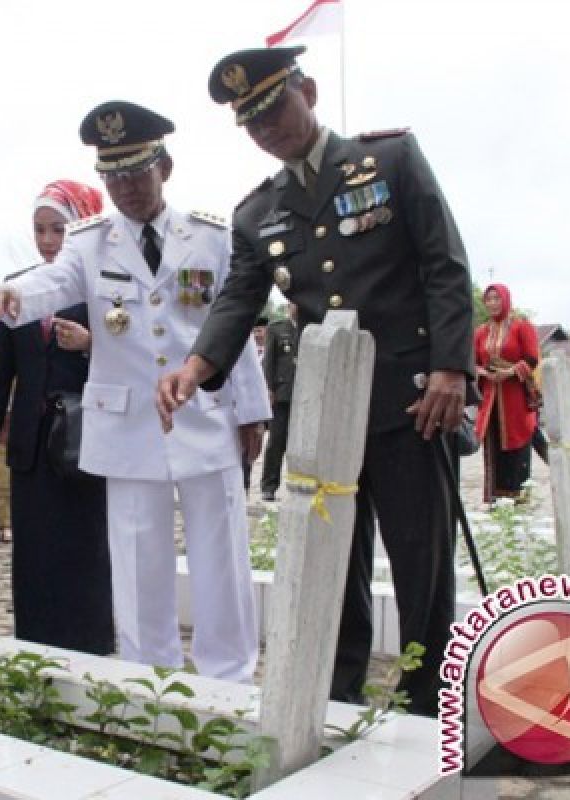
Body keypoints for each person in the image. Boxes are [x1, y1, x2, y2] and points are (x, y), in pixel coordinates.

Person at [157, 47, 473, 716]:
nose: (268, 127)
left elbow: (443, 263)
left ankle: (427, 706)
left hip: (411, 399)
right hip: (326, 411)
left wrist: (451, 368)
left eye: (276, 107)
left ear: (309, 90)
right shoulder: (256, 213)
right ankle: (336, 694)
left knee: (421, 562)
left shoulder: (389, 161)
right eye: (252, 121)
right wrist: (195, 367)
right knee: (333, 556)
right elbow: (239, 300)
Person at [0, 102, 272, 682]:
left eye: (135, 173)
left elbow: (235, 328)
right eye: (111, 175)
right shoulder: (88, 242)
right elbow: (55, 282)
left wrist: (252, 412)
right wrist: (11, 297)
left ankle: (230, 676)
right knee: (139, 557)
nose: (124, 187)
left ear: (164, 167)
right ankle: (151, 678)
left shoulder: (211, 238)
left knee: (220, 554)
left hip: (207, 413)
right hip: (127, 423)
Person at [0, 179, 114, 655]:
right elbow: (0, 365)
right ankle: (35, 638)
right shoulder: (21, 288)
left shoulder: (104, 286)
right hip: (32, 439)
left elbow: (136, 356)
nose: (49, 240)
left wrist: (93, 345)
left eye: (59, 229)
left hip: (84, 437)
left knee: (85, 542)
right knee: (34, 546)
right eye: (41, 230)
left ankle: (90, 638)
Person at [473, 284, 540, 504]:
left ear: (506, 300)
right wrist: (484, 373)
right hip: (491, 398)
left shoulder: (522, 327)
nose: (492, 303)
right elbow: (473, 363)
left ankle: (519, 496)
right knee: (493, 444)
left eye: (497, 299)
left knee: (517, 441)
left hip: (515, 398)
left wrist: (509, 372)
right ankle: (496, 496)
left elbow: (532, 359)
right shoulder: (481, 332)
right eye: (489, 299)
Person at [260, 302, 299, 504]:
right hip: (282, 393)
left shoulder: (311, 327)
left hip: (304, 396)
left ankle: (297, 486)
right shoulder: (277, 328)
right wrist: (268, 389)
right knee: (276, 442)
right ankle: (268, 486)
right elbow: (269, 361)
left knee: (300, 445)